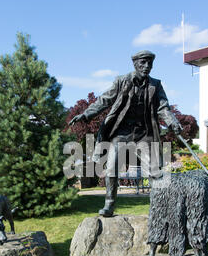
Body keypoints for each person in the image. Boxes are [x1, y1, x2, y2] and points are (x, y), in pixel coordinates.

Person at [69, 50, 183, 216]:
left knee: (154, 171)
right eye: (143, 63)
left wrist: (172, 121)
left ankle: (161, 206)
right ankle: (109, 205)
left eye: (150, 63)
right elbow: (104, 100)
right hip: (122, 132)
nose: (147, 66)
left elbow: (162, 108)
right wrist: (86, 114)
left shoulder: (155, 85)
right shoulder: (122, 81)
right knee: (112, 167)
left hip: (144, 133)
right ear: (135, 64)